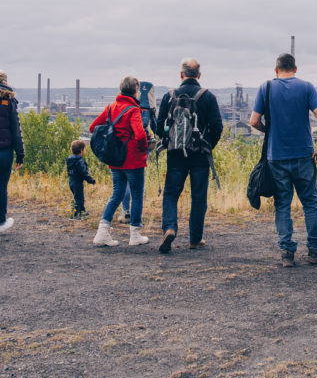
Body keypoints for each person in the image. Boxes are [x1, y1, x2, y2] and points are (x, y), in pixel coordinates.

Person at [249, 53, 317, 267]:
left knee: (283, 204)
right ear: (296, 69)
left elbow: (253, 121)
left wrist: (269, 130)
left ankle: (287, 253)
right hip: (304, 155)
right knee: (310, 203)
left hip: (277, 157)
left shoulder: (265, 87)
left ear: (276, 70)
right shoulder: (306, 87)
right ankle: (314, 249)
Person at [157, 58, 223, 254]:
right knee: (198, 196)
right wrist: (207, 145)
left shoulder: (169, 96)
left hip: (175, 154)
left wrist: (169, 141)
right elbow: (217, 127)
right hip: (200, 156)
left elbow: (159, 125)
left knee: (171, 193)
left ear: (181, 74)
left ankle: (169, 228)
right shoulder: (208, 97)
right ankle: (195, 239)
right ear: (199, 75)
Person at [91, 77, 149, 247]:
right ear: (135, 90)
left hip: (115, 160)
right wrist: (143, 148)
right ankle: (135, 234)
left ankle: (102, 232)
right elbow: (140, 135)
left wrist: (114, 139)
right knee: (137, 195)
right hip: (133, 161)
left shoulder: (111, 107)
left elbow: (93, 127)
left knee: (117, 194)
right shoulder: (133, 110)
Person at [0, 70, 25, 234]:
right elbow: (16, 130)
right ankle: (1, 222)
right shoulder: (9, 99)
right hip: (4, 151)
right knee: (1, 186)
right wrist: (20, 154)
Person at [66, 139, 96, 219]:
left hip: (71, 181)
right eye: (84, 149)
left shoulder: (70, 160)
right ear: (81, 150)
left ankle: (82, 212)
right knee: (79, 199)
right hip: (77, 183)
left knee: (78, 197)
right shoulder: (80, 161)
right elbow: (84, 173)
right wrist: (91, 180)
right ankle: (75, 215)